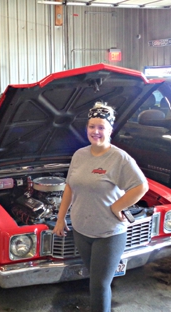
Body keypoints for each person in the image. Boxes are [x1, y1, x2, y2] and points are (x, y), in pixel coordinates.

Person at [53, 102, 149, 312]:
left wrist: (117, 207)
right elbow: (69, 187)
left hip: (109, 233)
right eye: (91, 126)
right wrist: (61, 218)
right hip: (81, 229)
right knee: (92, 278)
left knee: (99, 285)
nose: (96, 131)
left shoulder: (119, 158)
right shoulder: (79, 155)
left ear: (110, 130)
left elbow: (141, 186)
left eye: (101, 127)